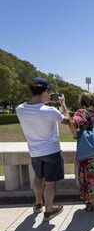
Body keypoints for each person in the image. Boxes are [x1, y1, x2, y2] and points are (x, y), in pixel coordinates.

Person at [16, 77, 70, 221]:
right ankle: (49, 210)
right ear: (45, 91)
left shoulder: (20, 109)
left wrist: (43, 102)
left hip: (34, 151)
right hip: (51, 151)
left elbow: (34, 110)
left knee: (38, 178)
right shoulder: (50, 111)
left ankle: (37, 204)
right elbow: (67, 120)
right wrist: (63, 105)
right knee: (50, 183)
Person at [69, 92, 94, 211]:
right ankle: (92, 201)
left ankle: (91, 202)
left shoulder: (82, 112)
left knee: (86, 176)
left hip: (87, 151)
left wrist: (76, 136)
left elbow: (72, 123)